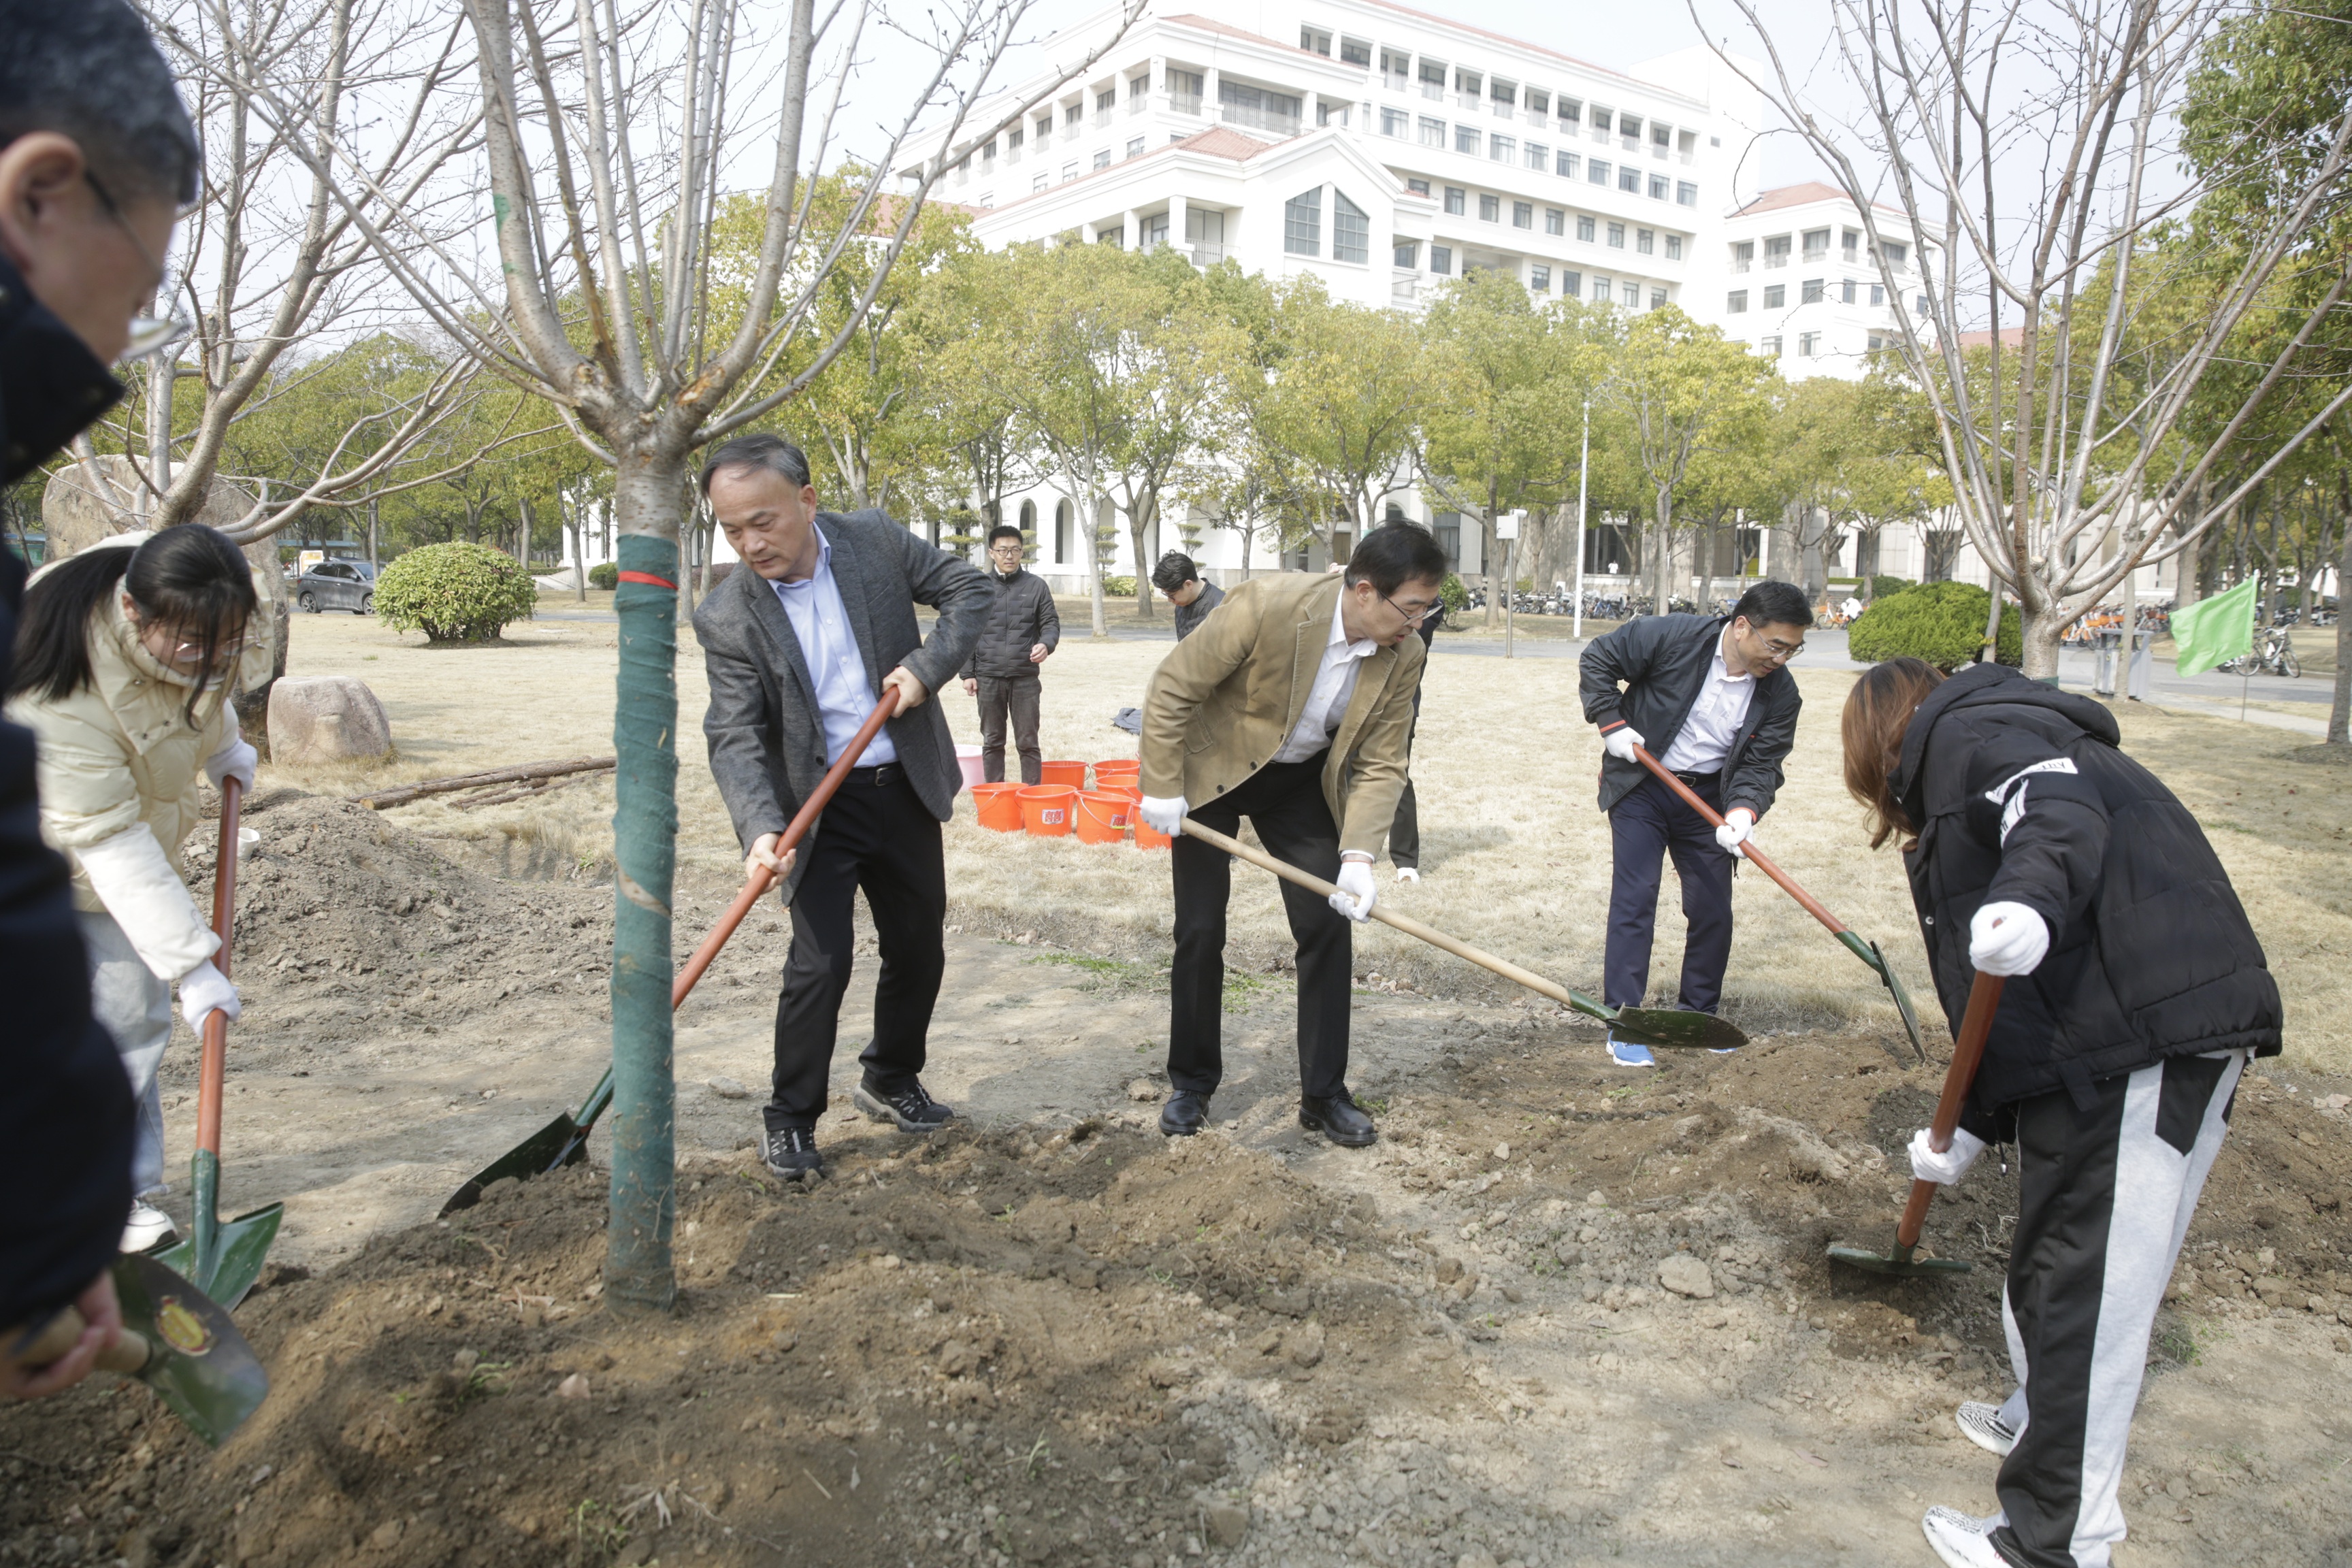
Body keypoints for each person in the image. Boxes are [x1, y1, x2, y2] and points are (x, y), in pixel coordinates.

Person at [1841, 657, 2281, 1568]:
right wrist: (1972, 1123)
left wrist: (2027, 897)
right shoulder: (1997, 735)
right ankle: (2035, 1418)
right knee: (2061, 1262)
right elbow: (2009, 999)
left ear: (1880, 740)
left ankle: (2053, 1543)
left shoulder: (1968, 735)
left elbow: (2052, 811)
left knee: (2089, 1290)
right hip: (2123, 1032)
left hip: (2138, 1039)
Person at [0, 0, 203, 1399]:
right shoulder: (66, 652)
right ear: (40, 196)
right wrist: (37, 1231)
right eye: (135, 299)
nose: (120, 352)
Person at [694, 434, 990, 1182]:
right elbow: (733, 733)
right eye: (732, 530)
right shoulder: (727, 615)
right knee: (821, 964)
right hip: (815, 808)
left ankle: (889, 1076)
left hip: (903, 784)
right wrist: (760, 827)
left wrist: (925, 668)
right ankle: (790, 1118)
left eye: (763, 521)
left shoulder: (873, 541)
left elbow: (970, 591)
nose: (750, 543)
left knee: (918, 946)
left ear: (807, 500)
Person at [1137, 523, 1444, 1147]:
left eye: (1427, 609)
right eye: (1412, 607)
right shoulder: (1267, 605)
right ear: (1365, 591)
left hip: (1299, 780)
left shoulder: (1404, 652)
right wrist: (1162, 785)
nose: (1418, 622)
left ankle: (1323, 1094)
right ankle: (1191, 1083)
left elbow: (1384, 762)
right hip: (1214, 770)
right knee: (1200, 928)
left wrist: (1358, 856)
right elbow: (1173, 687)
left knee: (1327, 923)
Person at [10, 526, 259, 1252]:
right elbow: (109, 843)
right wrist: (190, 965)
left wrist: (224, 744)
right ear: (132, 611)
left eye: (229, 640)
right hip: (43, 855)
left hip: (110, 841)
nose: (214, 656)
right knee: (93, 1024)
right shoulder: (57, 692)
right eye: (194, 642)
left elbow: (196, 689)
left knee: (127, 1024)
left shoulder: (193, 588)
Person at [1579, 580, 1810, 1066]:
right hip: (1642, 783)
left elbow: (1763, 763)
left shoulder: (1781, 693)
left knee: (1712, 909)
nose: (1782, 658)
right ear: (1742, 626)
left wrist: (1743, 811)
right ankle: (1624, 1021)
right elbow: (1599, 659)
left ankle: (1699, 1015)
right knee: (1636, 898)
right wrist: (1610, 722)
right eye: (1776, 645)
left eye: (1793, 650)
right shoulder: (1672, 637)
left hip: (1708, 799)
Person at [958, 522, 1058, 785]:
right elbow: (966, 631)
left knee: (1028, 742)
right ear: (991, 553)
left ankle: (1032, 794)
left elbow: (1050, 624)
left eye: (1015, 550)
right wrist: (967, 673)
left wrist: (1046, 644)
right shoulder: (978, 587)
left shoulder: (1037, 586)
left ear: (1022, 552)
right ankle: (995, 794)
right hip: (988, 677)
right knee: (992, 741)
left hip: (1025, 677)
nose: (1009, 556)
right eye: (1003, 550)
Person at [1386, 595, 1446, 883]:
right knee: (1340, 777)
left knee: (1396, 776)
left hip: (1399, 706)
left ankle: (1405, 859)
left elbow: (1412, 629)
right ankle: (1343, 847)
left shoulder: (1427, 605)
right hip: (1350, 703)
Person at [1152, 551, 1224, 641]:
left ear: (1188, 585)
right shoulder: (1181, 605)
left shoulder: (1220, 607)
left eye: (1172, 595)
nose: (1169, 600)